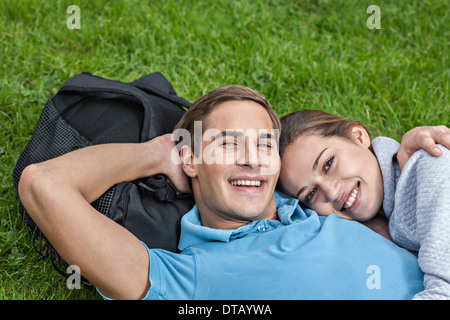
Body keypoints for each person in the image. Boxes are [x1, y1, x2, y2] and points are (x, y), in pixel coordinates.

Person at [18, 84, 438, 300]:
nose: (253, 160)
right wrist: (154, 154)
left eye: (264, 145)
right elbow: (43, 185)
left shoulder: (315, 205)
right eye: (228, 143)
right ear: (190, 161)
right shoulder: (187, 276)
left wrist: (403, 151)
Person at [278, 109, 450, 299]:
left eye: (328, 164)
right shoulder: (375, 221)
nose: (331, 192)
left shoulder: (432, 168)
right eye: (311, 194)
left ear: (359, 137)